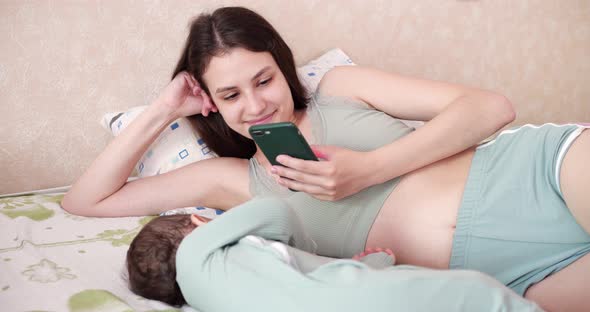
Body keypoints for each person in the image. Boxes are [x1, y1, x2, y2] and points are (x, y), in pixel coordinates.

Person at [61, 6, 590, 311]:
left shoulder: (341, 87)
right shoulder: (229, 180)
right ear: (212, 104)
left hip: (541, 172)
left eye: (264, 80)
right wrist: (163, 108)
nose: (256, 104)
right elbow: (84, 201)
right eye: (230, 95)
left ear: (283, 66)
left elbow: (490, 108)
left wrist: (368, 169)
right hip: (516, 279)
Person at [126, 196, 542, 311]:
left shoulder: (205, 296)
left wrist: (370, 264)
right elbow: (276, 211)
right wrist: (299, 242)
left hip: (343, 293)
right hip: (355, 299)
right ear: (196, 225)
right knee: (477, 291)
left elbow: (302, 279)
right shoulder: (201, 246)